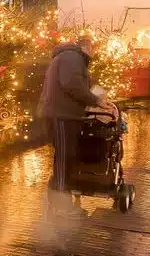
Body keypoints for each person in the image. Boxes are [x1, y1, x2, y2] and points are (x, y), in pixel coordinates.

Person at [37, 34, 103, 206]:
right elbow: (72, 84)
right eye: (93, 49)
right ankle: (60, 201)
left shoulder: (70, 57)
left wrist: (95, 95)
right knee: (65, 156)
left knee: (66, 155)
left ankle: (60, 196)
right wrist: (96, 100)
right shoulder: (72, 57)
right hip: (61, 114)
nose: (94, 53)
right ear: (87, 47)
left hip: (64, 113)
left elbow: (79, 83)